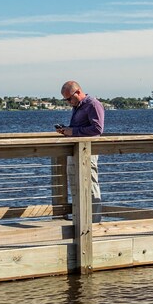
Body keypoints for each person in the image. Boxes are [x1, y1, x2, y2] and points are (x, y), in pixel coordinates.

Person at [56, 81, 104, 222]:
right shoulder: (77, 106)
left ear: (77, 92)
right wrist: (66, 130)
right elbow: (79, 128)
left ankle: (94, 222)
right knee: (75, 185)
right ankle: (80, 219)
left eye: (69, 98)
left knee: (90, 184)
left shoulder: (93, 104)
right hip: (75, 151)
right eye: (66, 100)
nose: (68, 102)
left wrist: (73, 131)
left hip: (88, 152)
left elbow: (97, 130)